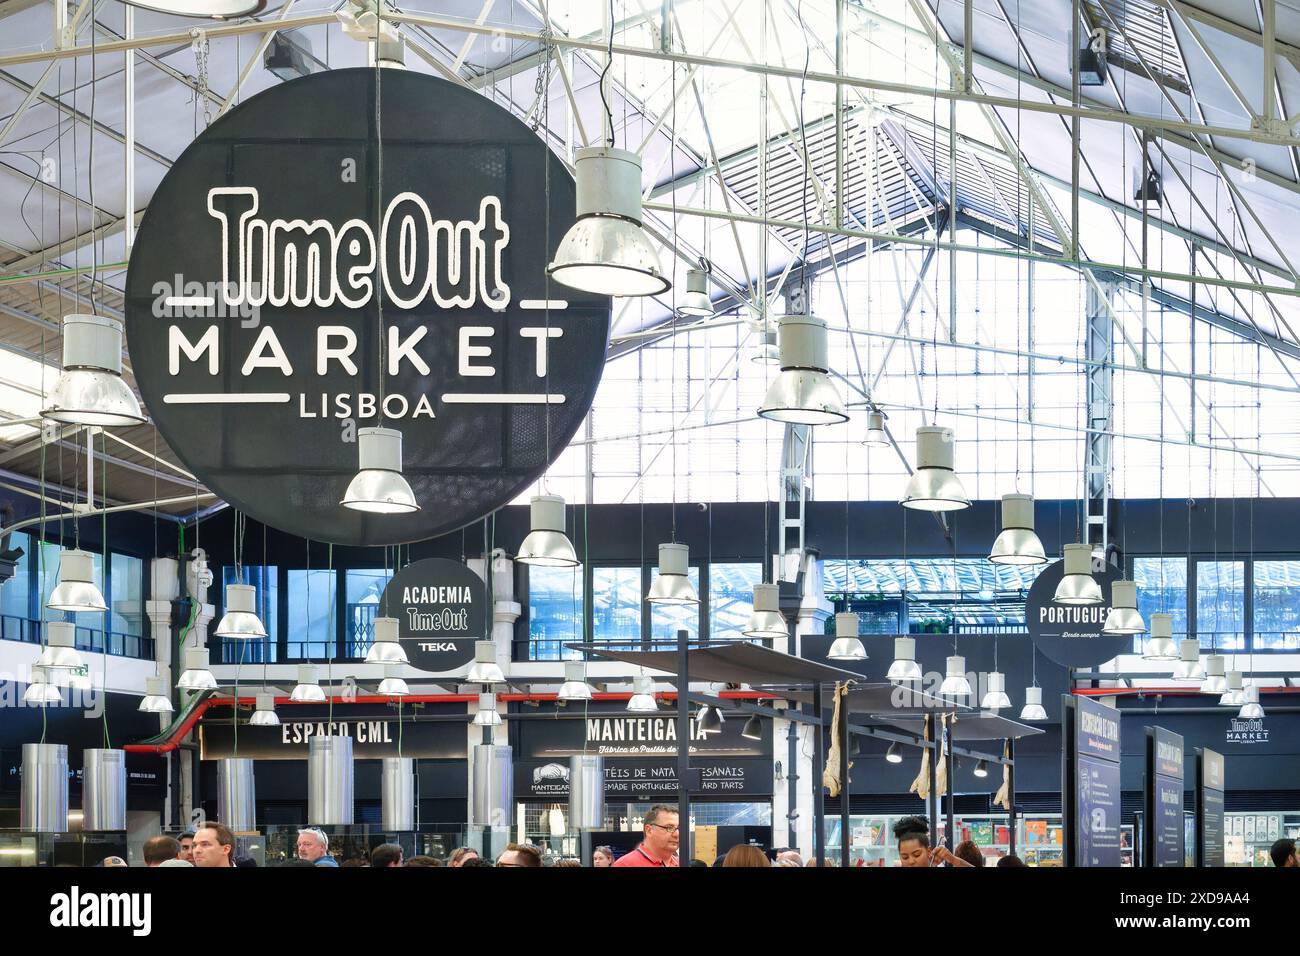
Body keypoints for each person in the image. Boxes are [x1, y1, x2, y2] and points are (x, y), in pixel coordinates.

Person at [611, 805, 680, 867]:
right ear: (649, 830)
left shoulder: (680, 863)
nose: (677, 834)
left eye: (679, 828)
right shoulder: (625, 864)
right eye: (669, 828)